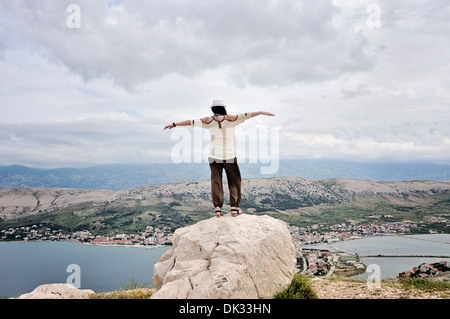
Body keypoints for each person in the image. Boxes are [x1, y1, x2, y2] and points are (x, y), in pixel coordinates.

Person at [164, 100, 274, 217]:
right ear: (223, 108)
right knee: (234, 181)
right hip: (229, 156)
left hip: (213, 156)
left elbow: (190, 122)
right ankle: (234, 207)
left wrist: (175, 124)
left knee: (216, 181)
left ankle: (217, 208)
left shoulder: (208, 121)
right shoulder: (231, 119)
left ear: (213, 109)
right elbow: (247, 115)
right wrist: (261, 112)